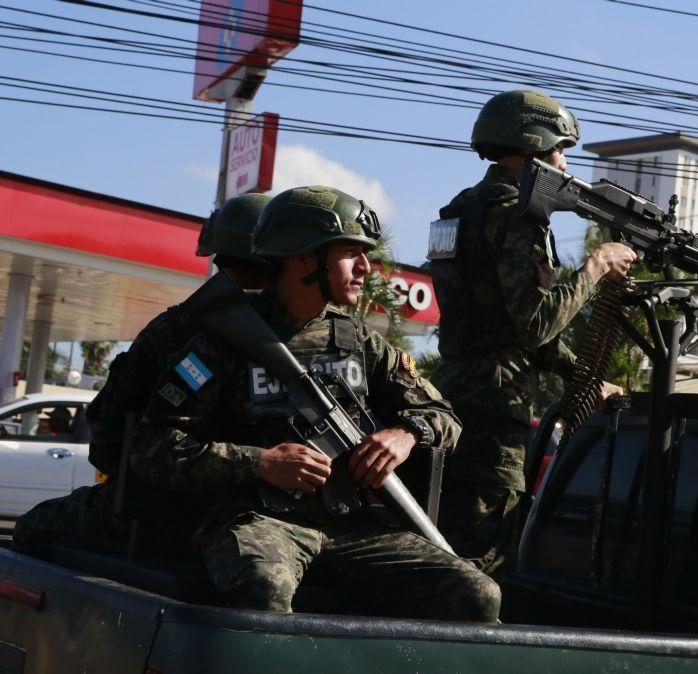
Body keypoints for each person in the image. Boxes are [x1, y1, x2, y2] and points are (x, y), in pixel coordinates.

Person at [128, 185, 500, 621]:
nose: (365, 266)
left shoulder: (360, 342)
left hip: (349, 527)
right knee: (265, 587)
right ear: (303, 257)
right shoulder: (222, 342)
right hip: (259, 521)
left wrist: (404, 435)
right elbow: (151, 447)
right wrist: (260, 461)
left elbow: (444, 418)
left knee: (477, 593)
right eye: (349, 252)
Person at [429, 89, 637, 576]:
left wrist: (586, 379)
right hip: (496, 410)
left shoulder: (462, 208)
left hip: (456, 392)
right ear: (532, 148)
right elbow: (538, 322)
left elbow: (509, 329)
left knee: (447, 542)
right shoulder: (516, 216)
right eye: (559, 151)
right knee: (486, 557)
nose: (565, 165)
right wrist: (596, 267)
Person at [13, 193, 274, 560]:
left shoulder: (176, 329)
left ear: (218, 257)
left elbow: (108, 434)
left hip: (159, 516)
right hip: (264, 525)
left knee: (30, 529)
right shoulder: (305, 334)